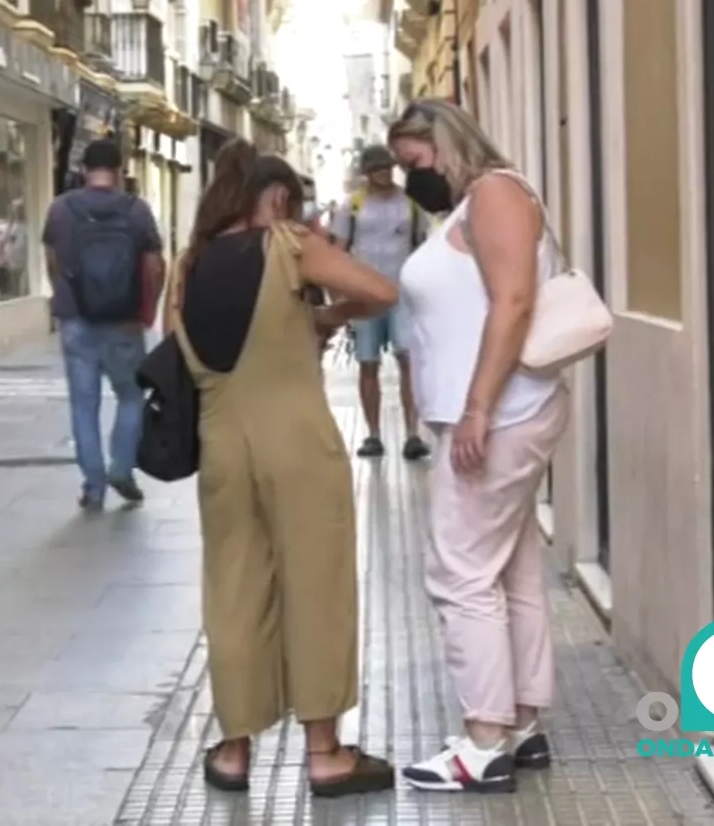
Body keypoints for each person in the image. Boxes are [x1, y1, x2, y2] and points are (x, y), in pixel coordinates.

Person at [163, 141, 400, 798]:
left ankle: (234, 750)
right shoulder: (289, 247)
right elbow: (381, 290)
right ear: (276, 200)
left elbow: (178, 345)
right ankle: (325, 753)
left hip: (221, 446)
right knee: (316, 587)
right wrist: (329, 314)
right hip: (297, 443)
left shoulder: (187, 264)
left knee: (234, 593)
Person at [386, 100, 570, 794]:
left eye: (414, 161)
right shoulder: (473, 204)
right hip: (496, 413)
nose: (411, 178)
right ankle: (519, 724)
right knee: (508, 567)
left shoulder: (495, 193)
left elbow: (513, 302)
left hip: (500, 415)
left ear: (444, 143)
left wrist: (478, 407)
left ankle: (483, 742)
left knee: (460, 573)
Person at [41, 139, 166, 511]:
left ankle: (93, 486)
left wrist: (63, 294)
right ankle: (122, 468)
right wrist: (148, 309)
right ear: (120, 170)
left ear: (83, 169)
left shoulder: (61, 209)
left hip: (75, 320)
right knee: (131, 396)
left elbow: (52, 260)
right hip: (124, 321)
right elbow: (155, 267)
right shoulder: (137, 210)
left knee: (84, 404)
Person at [330, 143, 430, 461]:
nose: (383, 173)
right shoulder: (352, 206)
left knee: (407, 361)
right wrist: (340, 296)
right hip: (365, 296)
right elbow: (338, 251)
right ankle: (373, 435)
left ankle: (413, 434)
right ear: (367, 173)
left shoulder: (410, 204)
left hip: (403, 293)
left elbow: (422, 245)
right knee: (368, 363)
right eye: (376, 169)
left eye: (386, 167)